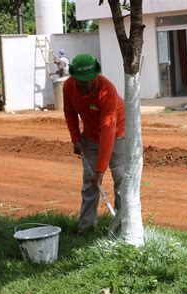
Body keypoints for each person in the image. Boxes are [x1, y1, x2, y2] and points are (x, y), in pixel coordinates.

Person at [63, 54, 125, 233]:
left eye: (90, 80)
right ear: (74, 77)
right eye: (82, 81)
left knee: (121, 180)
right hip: (89, 137)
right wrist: (75, 139)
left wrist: (100, 170)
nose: (87, 85)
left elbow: (108, 131)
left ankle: (122, 227)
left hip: (118, 134)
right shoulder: (68, 87)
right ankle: (86, 227)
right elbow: (69, 113)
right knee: (90, 183)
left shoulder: (107, 91)